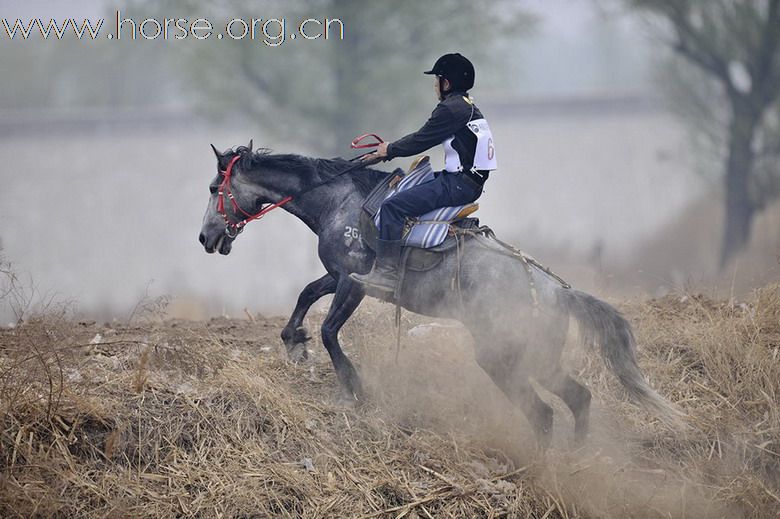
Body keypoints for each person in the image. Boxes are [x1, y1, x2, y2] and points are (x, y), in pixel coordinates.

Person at [350, 52, 498, 293]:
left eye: (436, 80)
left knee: (392, 207)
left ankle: (387, 273)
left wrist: (389, 149)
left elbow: (420, 139)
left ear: (446, 83)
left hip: (459, 184)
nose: (434, 86)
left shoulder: (450, 109)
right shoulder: (467, 105)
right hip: (463, 180)